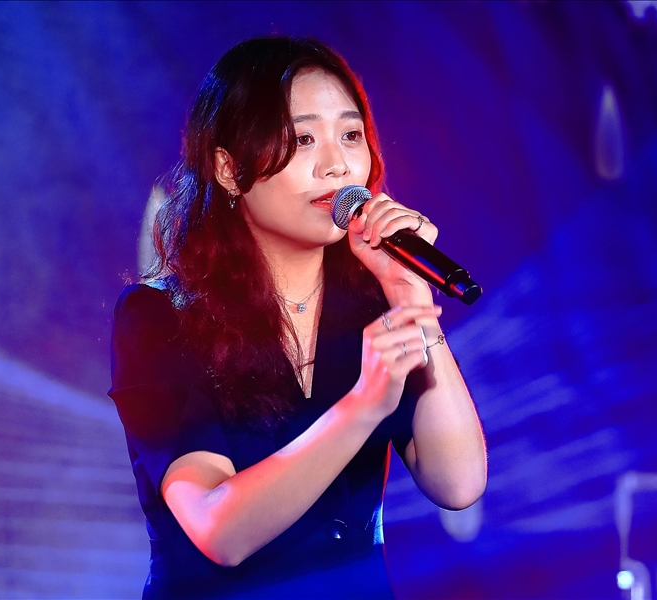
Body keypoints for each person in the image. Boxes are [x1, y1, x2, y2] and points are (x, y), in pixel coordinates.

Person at [109, 36, 487, 599]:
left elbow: (458, 483)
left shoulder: (371, 303)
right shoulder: (159, 316)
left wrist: (410, 296)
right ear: (229, 169)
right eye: (303, 138)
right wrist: (362, 406)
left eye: (351, 136)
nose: (337, 165)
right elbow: (218, 528)